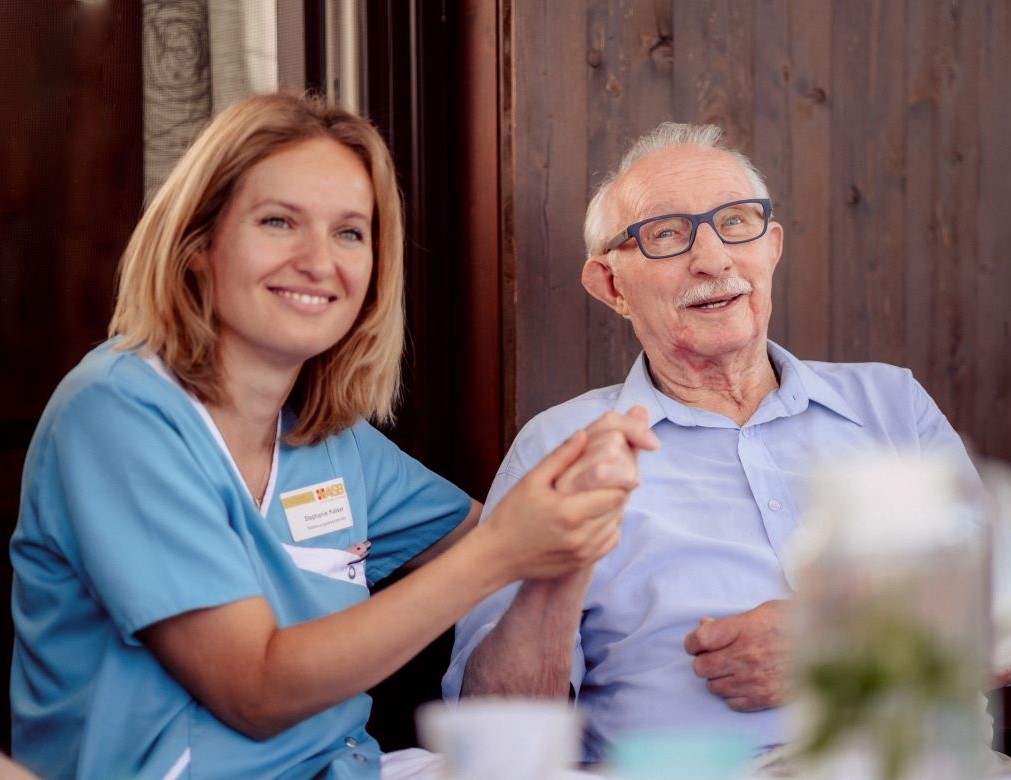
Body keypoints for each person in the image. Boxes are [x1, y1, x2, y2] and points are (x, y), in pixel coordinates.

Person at [9, 92, 658, 779]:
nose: (321, 262)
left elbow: (489, 532)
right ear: (198, 244)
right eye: (279, 221)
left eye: (350, 232)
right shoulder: (117, 414)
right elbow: (252, 691)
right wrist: (504, 551)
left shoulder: (328, 436)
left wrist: (580, 499)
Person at [443, 121, 1011, 763]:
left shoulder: (891, 406)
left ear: (771, 246)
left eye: (735, 223)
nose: (713, 258)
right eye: (666, 234)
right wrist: (558, 569)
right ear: (611, 285)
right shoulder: (561, 447)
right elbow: (495, 720)